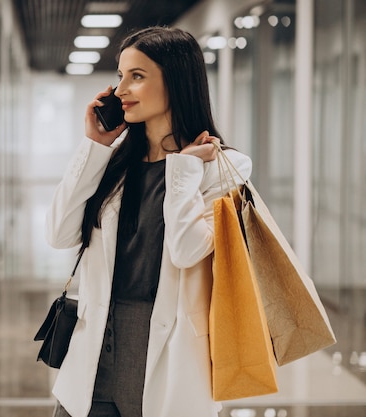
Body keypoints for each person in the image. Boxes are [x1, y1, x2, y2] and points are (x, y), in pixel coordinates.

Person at [46, 26, 253, 417]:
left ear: (176, 82)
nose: (120, 89)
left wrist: (185, 168)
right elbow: (59, 235)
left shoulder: (226, 169)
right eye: (121, 75)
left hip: (168, 359)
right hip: (93, 356)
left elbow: (188, 249)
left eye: (136, 76)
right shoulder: (116, 163)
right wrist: (95, 146)